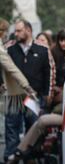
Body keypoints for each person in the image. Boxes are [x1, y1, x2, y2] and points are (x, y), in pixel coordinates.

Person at [5, 19, 53, 162]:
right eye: (15, 30)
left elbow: (50, 71)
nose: (16, 33)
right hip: (13, 96)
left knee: (32, 130)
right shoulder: (9, 47)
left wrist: (47, 94)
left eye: (19, 30)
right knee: (11, 130)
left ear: (28, 30)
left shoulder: (43, 48)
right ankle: (10, 158)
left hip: (34, 97)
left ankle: (29, 159)